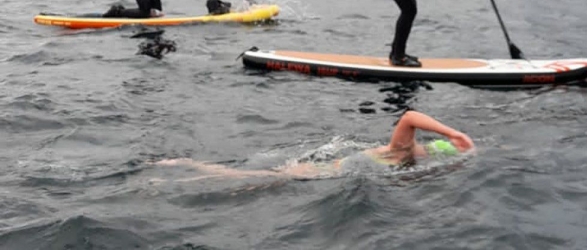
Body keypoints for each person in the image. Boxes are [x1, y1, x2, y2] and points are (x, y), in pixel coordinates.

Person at [154, 110, 475, 180]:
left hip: (333, 168)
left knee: (255, 178)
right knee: (254, 179)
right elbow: (409, 116)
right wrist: (452, 133)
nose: (422, 146)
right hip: (328, 170)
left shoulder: (405, 158)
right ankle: (186, 169)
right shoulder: (402, 152)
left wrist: (452, 137)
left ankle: (186, 169)